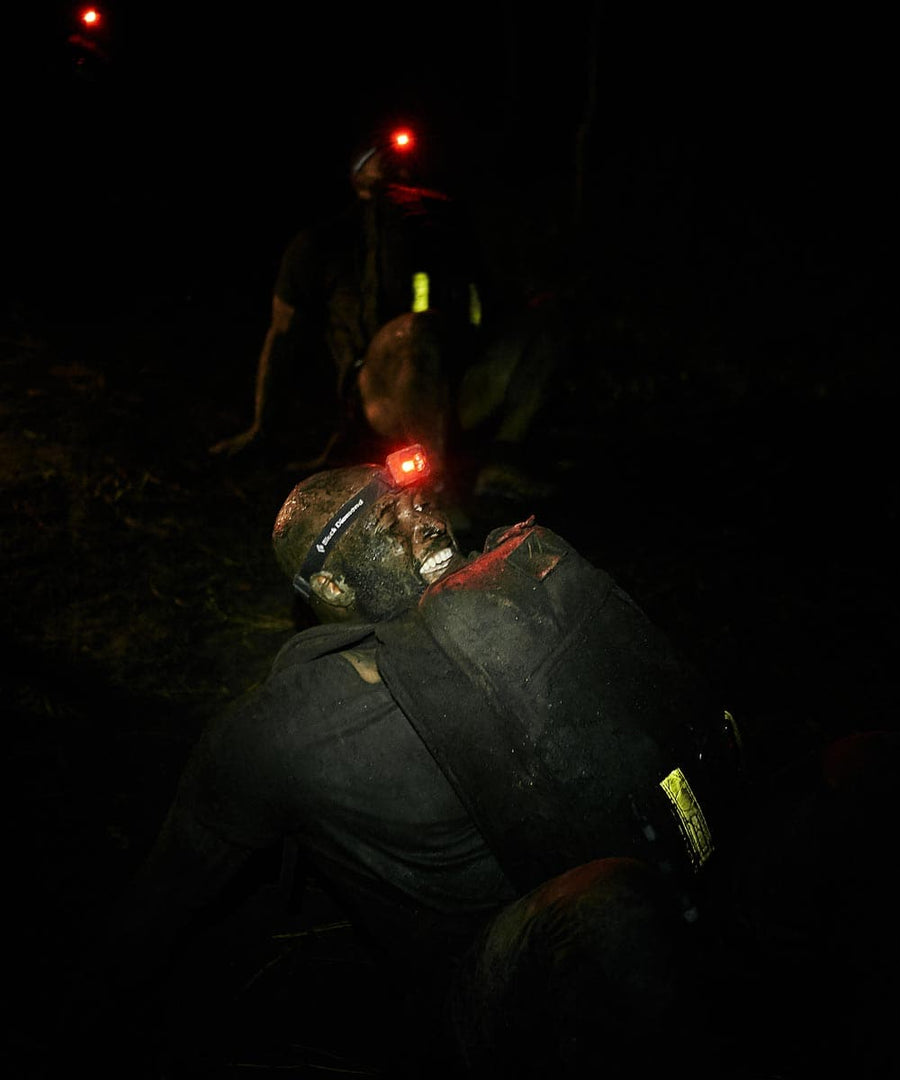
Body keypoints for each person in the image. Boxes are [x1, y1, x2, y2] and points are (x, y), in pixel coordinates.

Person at [77, 443, 741, 1075]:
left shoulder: (520, 601)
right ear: (332, 585)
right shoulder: (284, 730)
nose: (421, 512)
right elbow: (159, 904)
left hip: (672, 869)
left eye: (415, 498)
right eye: (381, 518)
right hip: (498, 976)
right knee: (612, 912)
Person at [209, 125, 485, 468]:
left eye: (403, 157)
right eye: (381, 156)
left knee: (550, 324)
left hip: (465, 381)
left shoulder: (447, 230)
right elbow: (281, 334)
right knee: (416, 333)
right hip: (381, 387)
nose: (396, 164)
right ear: (357, 173)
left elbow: (484, 304)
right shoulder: (322, 243)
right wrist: (261, 426)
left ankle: (505, 455)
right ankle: (438, 486)